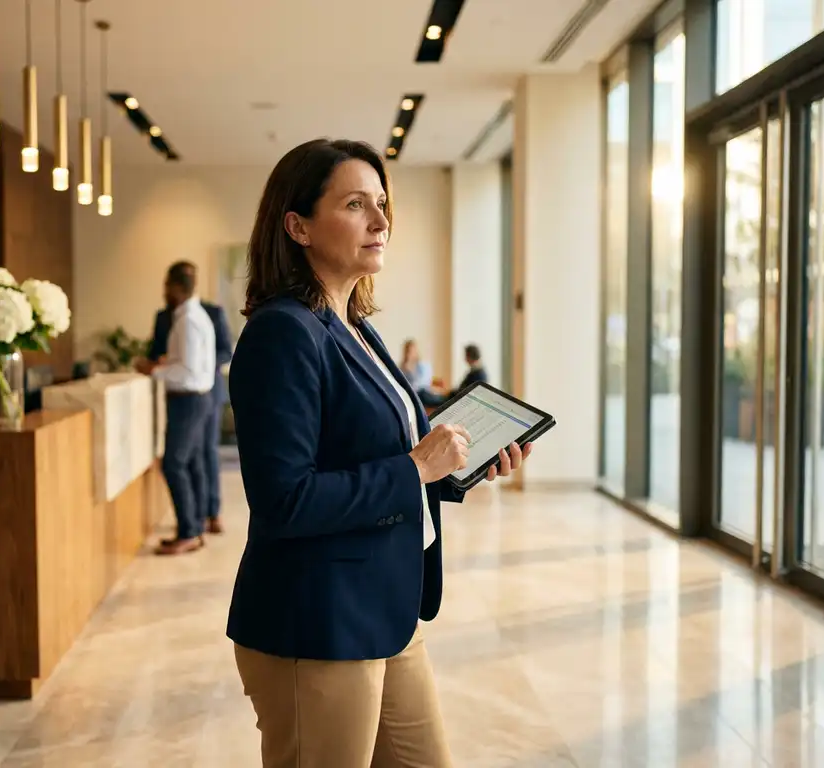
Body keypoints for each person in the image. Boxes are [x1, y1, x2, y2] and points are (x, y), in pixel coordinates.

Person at [225, 138, 532, 767]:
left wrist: (456, 471)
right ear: (299, 226)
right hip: (318, 622)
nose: (381, 221)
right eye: (356, 204)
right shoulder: (282, 333)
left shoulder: (355, 325)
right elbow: (286, 499)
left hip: (384, 609)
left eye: (383, 204)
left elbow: (387, 454)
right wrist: (419, 466)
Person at [136, 262, 216, 555]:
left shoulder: (189, 320)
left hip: (189, 400)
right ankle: (193, 528)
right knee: (190, 463)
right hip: (192, 399)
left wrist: (153, 372)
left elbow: (188, 373)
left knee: (174, 464)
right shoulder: (191, 317)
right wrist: (163, 366)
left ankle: (188, 531)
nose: (164, 291)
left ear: (177, 287)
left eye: (166, 285)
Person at [149, 262, 234, 534]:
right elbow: (165, 353)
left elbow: (217, 355)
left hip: (198, 393)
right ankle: (195, 522)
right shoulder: (172, 316)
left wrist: (160, 370)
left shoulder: (198, 317)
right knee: (192, 459)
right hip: (189, 391)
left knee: (193, 458)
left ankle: (204, 517)